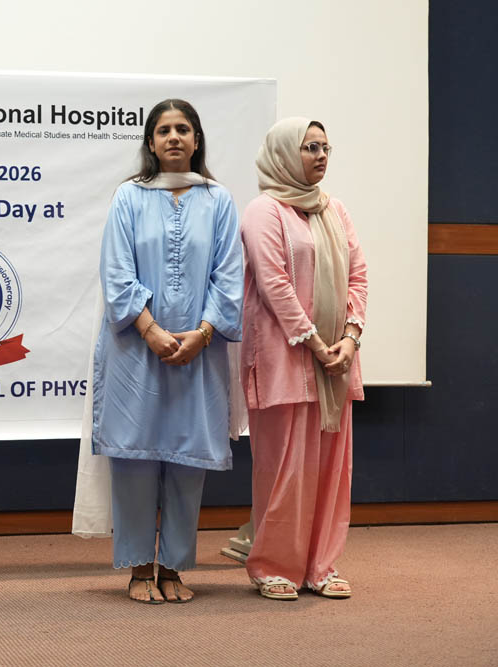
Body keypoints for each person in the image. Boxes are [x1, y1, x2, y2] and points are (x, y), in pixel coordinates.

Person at [87, 99, 243, 603]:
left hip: (200, 351)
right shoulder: (128, 197)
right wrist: (151, 330)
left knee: (187, 460)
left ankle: (173, 567)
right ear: (151, 144)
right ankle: (139, 568)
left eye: (183, 129)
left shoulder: (219, 200)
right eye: (163, 130)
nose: (173, 137)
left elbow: (229, 275)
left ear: (196, 140)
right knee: (134, 460)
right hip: (135, 349)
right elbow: (116, 272)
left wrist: (203, 333)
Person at [240, 117, 367, 600]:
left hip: (336, 360)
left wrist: (350, 338)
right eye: (310, 147)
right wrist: (315, 342)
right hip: (285, 358)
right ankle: (273, 566)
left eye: (325, 148)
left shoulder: (336, 209)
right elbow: (273, 283)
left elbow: (358, 275)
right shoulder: (263, 211)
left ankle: (321, 566)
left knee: (332, 469)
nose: (320, 156)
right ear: (284, 153)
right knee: (284, 469)